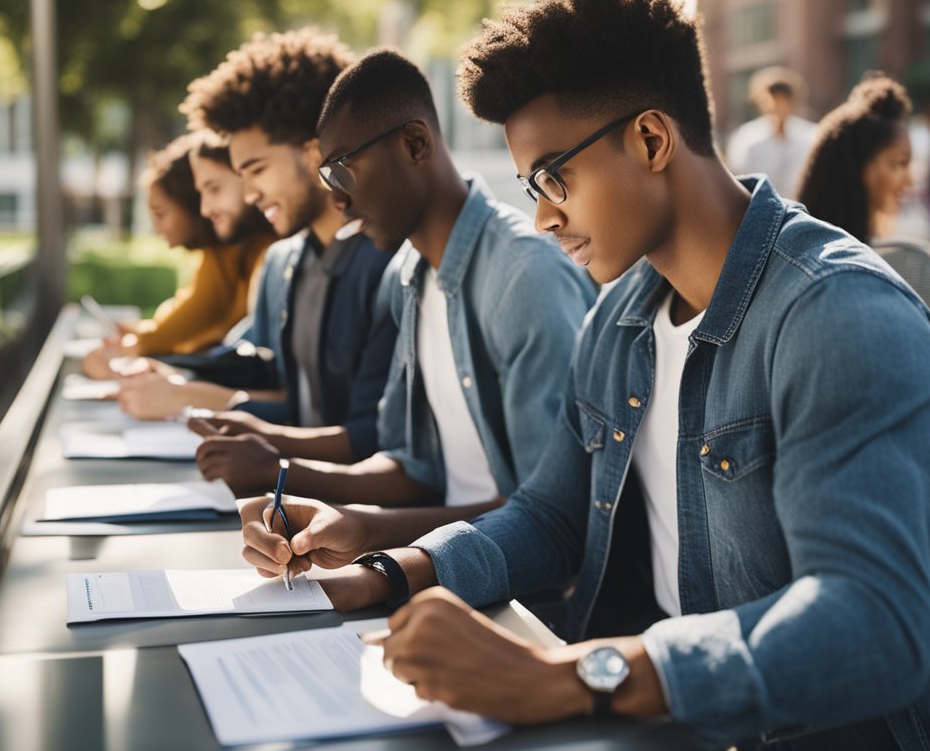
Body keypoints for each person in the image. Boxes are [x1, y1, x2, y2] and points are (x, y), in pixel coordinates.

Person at [240, 0, 930, 750]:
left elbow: (871, 624)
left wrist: (567, 678)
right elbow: (550, 515)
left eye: (552, 179)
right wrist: (384, 574)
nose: (541, 219)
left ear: (649, 138)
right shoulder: (622, 320)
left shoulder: (840, 317)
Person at [197, 46, 595, 523]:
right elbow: (414, 467)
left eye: (344, 170)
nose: (337, 200)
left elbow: (552, 517)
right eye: (327, 177)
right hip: (436, 571)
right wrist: (288, 475)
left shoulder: (524, 276)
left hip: (520, 595)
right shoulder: (406, 276)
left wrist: (372, 540)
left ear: (414, 144)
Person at [115, 29, 397, 473]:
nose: (248, 195)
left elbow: (375, 439)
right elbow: (262, 376)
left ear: (312, 155)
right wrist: (175, 378)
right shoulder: (281, 264)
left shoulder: (391, 265)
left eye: (258, 169)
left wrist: (192, 397)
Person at [798, 75, 930, 401]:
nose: (908, 181)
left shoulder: (787, 264)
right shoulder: (910, 265)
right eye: (898, 164)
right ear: (858, 170)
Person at [81, 133, 275, 378]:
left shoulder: (254, 252)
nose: (155, 228)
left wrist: (141, 342)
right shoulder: (226, 253)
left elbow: (198, 314)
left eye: (160, 214)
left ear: (188, 205)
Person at [725, 65, 818, 198]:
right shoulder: (746, 138)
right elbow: (739, 177)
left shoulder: (811, 135)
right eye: (772, 100)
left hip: (803, 210)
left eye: (782, 100)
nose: (777, 107)